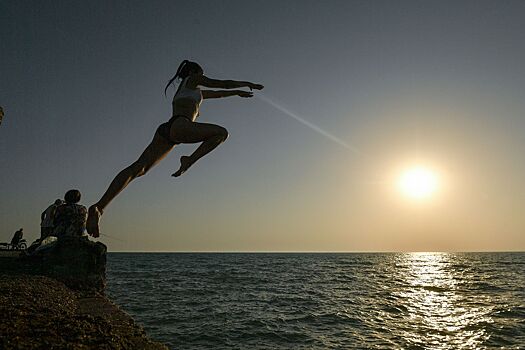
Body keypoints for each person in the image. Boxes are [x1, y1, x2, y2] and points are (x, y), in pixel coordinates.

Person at [86, 60, 263, 237]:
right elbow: (222, 84)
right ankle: (189, 160)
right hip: (180, 126)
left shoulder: (191, 90)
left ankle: (99, 207)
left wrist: (238, 93)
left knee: (139, 168)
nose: (202, 77)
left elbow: (219, 93)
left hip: (168, 130)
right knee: (221, 134)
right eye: (201, 73)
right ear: (194, 72)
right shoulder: (193, 80)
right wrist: (248, 84)